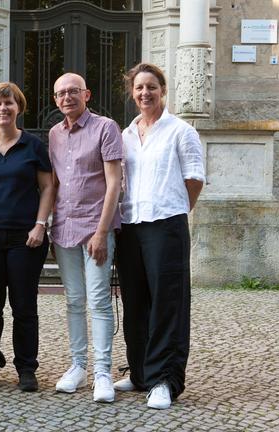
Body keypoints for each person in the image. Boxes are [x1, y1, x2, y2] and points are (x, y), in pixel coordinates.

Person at [114, 63, 205, 410]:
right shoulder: (126, 134)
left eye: (151, 87)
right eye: (139, 88)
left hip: (166, 224)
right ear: (132, 93)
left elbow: (194, 179)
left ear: (163, 90)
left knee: (168, 304)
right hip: (131, 225)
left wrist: (175, 209)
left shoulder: (181, 131)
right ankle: (140, 372)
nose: (145, 93)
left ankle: (164, 379)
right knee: (135, 301)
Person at [0, 82, 55, 392]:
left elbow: (48, 187)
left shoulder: (33, 146)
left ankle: (26, 368)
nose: (3, 109)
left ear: (19, 107)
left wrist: (40, 224)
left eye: (9, 103)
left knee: (24, 305)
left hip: (26, 237)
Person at [48, 73, 122, 403]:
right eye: (61, 93)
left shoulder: (105, 128)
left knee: (99, 300)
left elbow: (114, 183)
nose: (67, 97)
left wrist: (103, 232)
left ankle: (103, 372)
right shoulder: (54, 134)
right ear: (55, 100)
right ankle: (78, 366)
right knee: (74, 300)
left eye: (73, 91)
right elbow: (55, 183)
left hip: (96, 228)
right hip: (64, 228)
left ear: (86, 94)